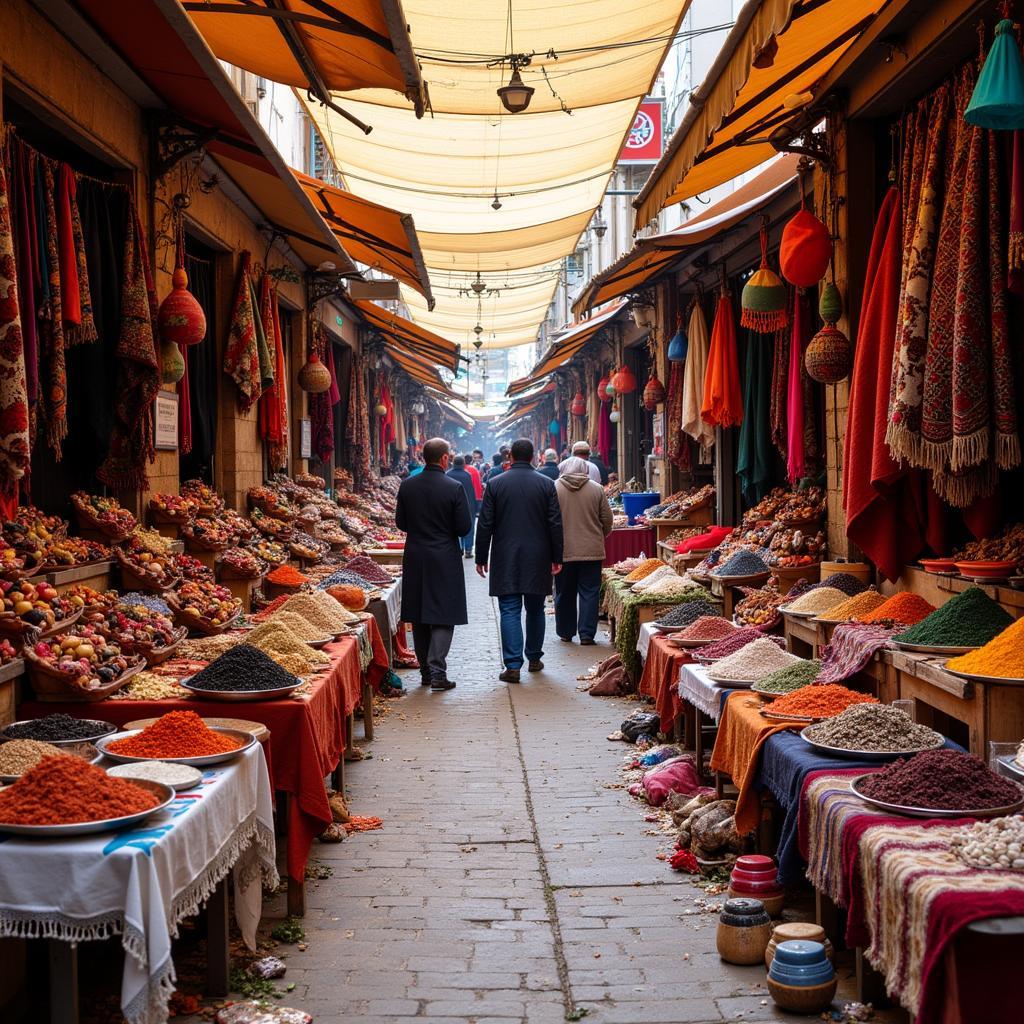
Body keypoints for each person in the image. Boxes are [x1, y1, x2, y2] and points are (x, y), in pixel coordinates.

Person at [476, 437, 563, 684]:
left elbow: (485, 524)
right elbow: (555, 523)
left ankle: (513, 665)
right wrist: (557, 556)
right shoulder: (547, 484)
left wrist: (481, 556)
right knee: (536, 608)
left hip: (506, 556)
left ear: (510, 457)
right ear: (534, 457)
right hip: (538, 556)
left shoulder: (495, 484)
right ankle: (534, 658)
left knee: (510, 609)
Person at [395, 437, 471, 690]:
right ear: (445, 458)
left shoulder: (407, 486)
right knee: (443, 613)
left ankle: (426, 672)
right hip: (444, 555)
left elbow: (401, 523)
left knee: (418, 613)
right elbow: (463, 527)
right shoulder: (453, 486)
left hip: (416, 554)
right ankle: (438, 670)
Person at [554, 456, 613, 645]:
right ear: (585, 469)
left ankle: (566, 631)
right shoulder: (596, 489)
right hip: (591, 550)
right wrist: (600, 535)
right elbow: (607, 518)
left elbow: (548, 519)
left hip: (563, 551)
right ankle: (587, 635)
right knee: (590, 592)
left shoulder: (554, 488)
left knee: (564, 592)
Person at [446, 455, 478, 558]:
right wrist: (475, 506)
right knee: (469, 527)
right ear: (463, 464)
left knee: (455, 527)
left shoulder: (447, 474)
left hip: (452, 506)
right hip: (468, 505)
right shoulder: (467, 475)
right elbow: (471, 492)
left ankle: (459, 549)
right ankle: (468, 550)